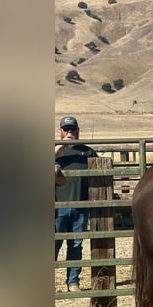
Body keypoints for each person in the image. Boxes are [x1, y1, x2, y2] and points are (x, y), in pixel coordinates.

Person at [55, 116, 98, 291]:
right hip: (57, 207)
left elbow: (100, 173)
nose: (69, 133)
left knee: (76, 246)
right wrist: (59, 146)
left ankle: (73, 281)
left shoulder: (88, 152)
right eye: (66, 129)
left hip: (81, 206)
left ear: (78, 131)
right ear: (60, 131)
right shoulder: (55, 152)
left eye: (73, 129)